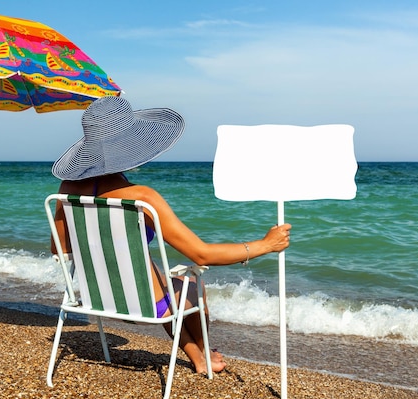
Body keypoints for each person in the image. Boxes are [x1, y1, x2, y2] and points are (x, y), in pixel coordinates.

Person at [51, 96, 291, 374]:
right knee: (192, 286)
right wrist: (264, 245)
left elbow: (59, 250)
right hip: (145, 306)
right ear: (132, 147)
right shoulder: (141, 197)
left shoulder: (66, 189)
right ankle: (203, 351)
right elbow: (202, 254)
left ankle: (199, 358)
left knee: (158, 279)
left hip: (97, 299)